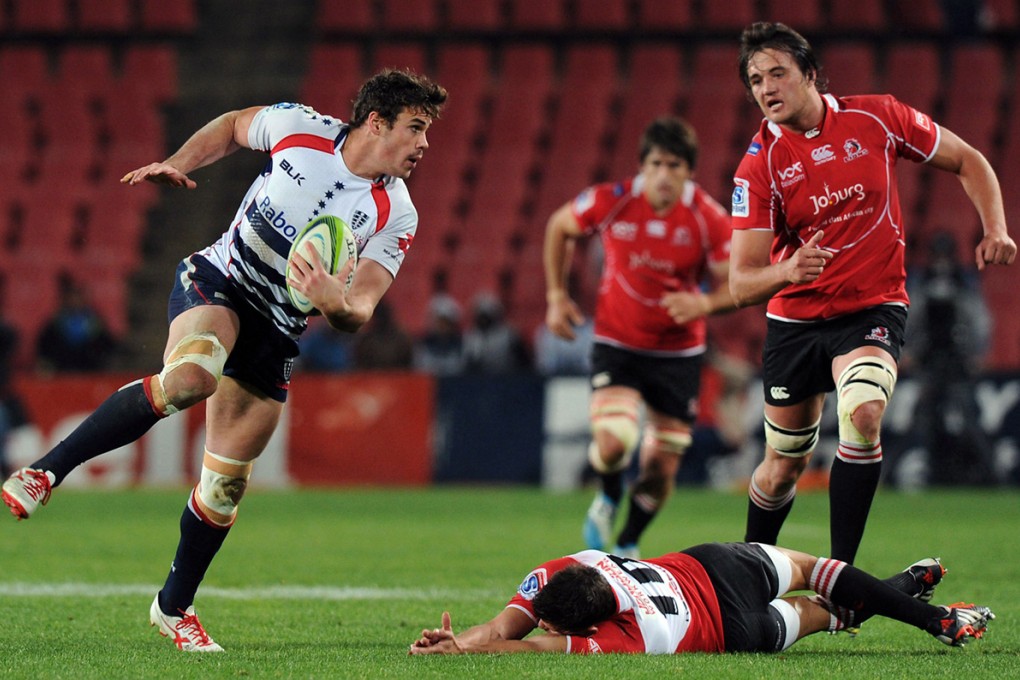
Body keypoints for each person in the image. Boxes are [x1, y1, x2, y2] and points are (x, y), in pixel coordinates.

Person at [1, 69, 447, 651]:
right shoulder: (300, 129)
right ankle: (44, 471)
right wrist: (180, 162)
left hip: (279, 331)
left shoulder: (397, 213)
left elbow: (361, 306)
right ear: (376, 122)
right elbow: (235, 127)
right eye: (416, 128)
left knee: (223, 488)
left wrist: (337, 305)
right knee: (190, 378)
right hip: (221, 282)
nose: (424, 144)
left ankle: (173, 608)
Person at [728, 22, 1016, 564]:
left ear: (810, 74)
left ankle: (842, 579)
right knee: (783, 462)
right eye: (755, 79)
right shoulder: (759, 163)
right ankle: (749, 569)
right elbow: (740, 283)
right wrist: (786, 270)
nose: (766, 88)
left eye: (777, 74)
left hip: (871, 308)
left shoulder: (877, 116)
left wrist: (995, 228)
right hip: (795, 323)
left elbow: (967, 159)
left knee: (863, 414)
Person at [544, 116, 735, 558]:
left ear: (689, 171)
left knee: (658, 469)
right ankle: (609, 493)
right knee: (614, 442)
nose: (664, 175)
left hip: (678, 353)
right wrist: (557, 295)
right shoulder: (614, 200)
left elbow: (737, 285)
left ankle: (628, 543)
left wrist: (704, 304)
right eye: (656, 164)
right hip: (619, 343)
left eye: (674, 165)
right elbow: (559, 226)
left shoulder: (709, 219)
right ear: (642, 166)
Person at [409, 542, 993, 654]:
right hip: (716, 567)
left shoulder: (611, 640)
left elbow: (510, 641)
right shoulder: (572, 564)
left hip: (735, 634)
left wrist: (459, 647)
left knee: (825, 616)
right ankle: (929, 612)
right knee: (819, 572)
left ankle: (909, 591)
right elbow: (511, 626)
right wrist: (458, 644)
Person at [904, 230, 995, 485]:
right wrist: (908, 349)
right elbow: (910, 316)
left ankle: (993, 478)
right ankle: (894, 477)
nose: (942, 261)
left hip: (957, 359)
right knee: (922, 420)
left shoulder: (963, 280)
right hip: (929, 358)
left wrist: (978, 352)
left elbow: (979, 319)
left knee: (969, 419)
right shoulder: (921, 280)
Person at [35, 274, 116, 373]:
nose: (75, 301)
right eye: (72, 297)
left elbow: (107, 345)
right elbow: (45, 346)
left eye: (78, 297)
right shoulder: (56, 322)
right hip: (62, 369)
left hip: (89, 369)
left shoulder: (95, 321)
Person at [462, 292, 530, 374]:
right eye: (480, 316)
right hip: (480, 380)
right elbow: (468, 366)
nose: (483, 319)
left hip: (508, 377)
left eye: (486, 316)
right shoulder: (471, 337)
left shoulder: (509, 334)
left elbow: (524, 361)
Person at [413, 293, 466, 376]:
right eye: (440, 322)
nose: (443, 327)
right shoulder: (423, 346)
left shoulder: (461, 346)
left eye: (447, 323)